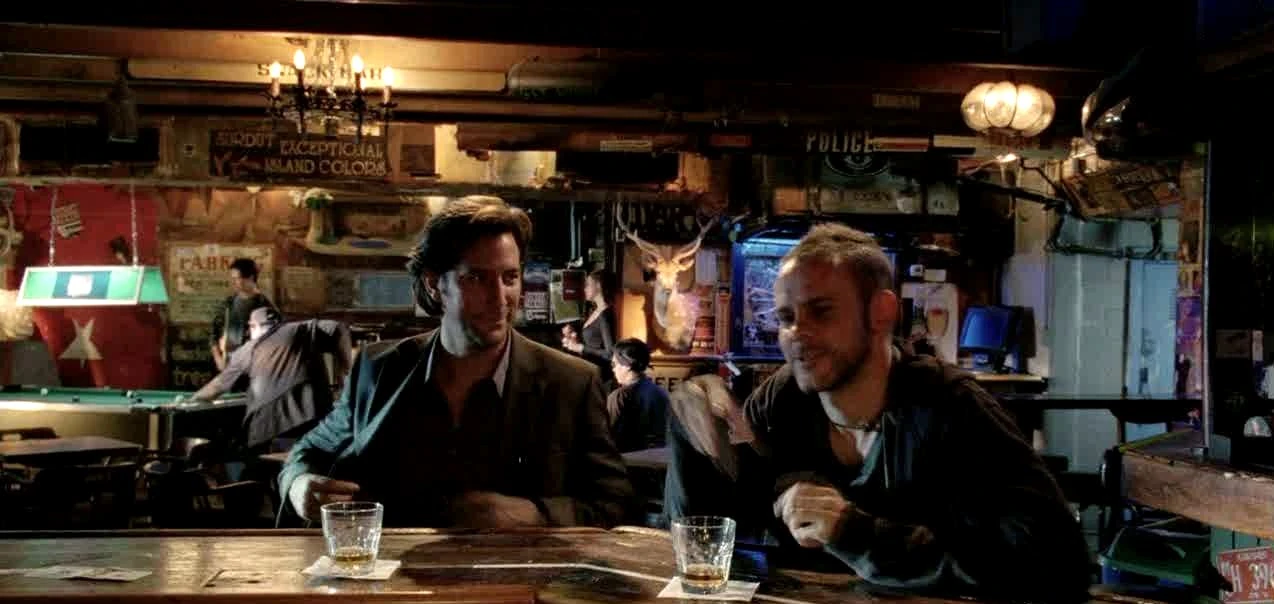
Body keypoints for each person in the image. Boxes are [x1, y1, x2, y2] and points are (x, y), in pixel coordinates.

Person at [745, 223, 1092, 602]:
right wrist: (701, 430)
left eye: (821, 311)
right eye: (786, 318)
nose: (797, 332)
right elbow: (723, 520)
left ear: (881, 312)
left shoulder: (949, 407)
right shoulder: (783, 398)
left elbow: (1059, 564)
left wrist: (854, 533)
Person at [280, 196, 632, 528]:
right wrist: (297, 484)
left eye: (509, 277)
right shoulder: (380, 367)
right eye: (476, 278)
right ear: (435, 283)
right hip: (393, 568)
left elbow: (615, 505)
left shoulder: (571, 382)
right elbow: (309, 451)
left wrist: (533, 514)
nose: (500, 298)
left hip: (516, 571)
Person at [193, 307, 353, 455]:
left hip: (268, 428)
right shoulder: (298, 329)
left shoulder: (247, 350)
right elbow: (339, 328)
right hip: (314, 422)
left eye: (250, 328)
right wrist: (346, 374)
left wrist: (194, 399)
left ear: (253, 326)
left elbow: (217, 387)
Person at [210, 258, 276, 371]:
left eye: (237, 278)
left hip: (254, 369)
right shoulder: (228, 304)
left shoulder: (265, 307)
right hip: (228, 367)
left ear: (250, 278)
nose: (233, 282)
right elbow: (213, 335)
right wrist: (218, 360)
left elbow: (273, 343)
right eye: (232, 278)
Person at [606, 338, 669, 453]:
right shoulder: (661, 392)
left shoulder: (620, 396)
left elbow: (608, 436)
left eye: (614, 364)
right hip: (658, 459)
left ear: (627, 365)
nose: (613, 369)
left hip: (628, 460)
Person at [562, 269, 618, 389]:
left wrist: (581, 348)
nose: (584, 289)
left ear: (598, 286)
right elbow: (592, 340)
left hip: (600, 379)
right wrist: (572, 333)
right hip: (589, 374)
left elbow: (610, 354)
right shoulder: (595, 311)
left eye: (588, 285)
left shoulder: (605, 315)